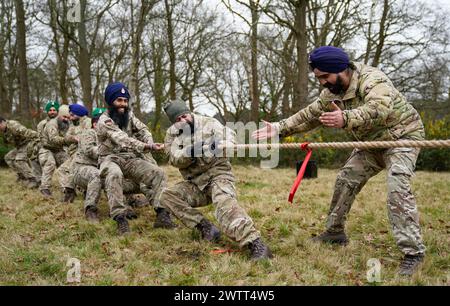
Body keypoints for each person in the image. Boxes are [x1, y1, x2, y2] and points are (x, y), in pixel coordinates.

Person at [253, 46, 426, 275]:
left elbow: (380, 108)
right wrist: (279, 128)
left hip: (402, 137)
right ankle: (335, 233)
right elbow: (310, 115)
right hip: (370, 144)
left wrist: (345, 118)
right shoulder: (331, 92)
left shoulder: (372, 80)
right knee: (346, 179)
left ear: (341, 69)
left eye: (325, 76)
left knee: (397, 186)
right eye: (318, 77)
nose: (322, 82)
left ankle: (414, 253)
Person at [160, 99, 273, 260]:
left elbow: (227, 134)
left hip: (218, 177)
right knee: (167, 196)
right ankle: (206, 227)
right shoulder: (172, 134)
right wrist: (190, 152)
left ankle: (255, 243)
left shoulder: (209, 123)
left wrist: (226, 143)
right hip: (196, 185)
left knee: (224, 204)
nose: (183, 121)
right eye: (178, 120)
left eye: (185, 116)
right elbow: (172, 157)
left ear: (190, 113)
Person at [96, 82, 175, 235]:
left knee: (158, 173)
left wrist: (150, 141)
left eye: (125, 101)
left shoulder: (129, 115)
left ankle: (162, 215)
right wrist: (148, 147)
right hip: (109, 159)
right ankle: (120, 218)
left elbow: (143, 129)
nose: (123, 104)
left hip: (129, 158)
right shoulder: (104, 121)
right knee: (114, 174)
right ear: (110, 101)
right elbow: (123, 139)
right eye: (119, 100)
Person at [38, 105, 78, 197]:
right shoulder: (52, 123)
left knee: (69, 164)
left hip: (59, 149)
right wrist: (69, 140)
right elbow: (54, 139)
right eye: (64, 117)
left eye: (68, 117)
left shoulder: (68, 123)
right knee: (50, 163)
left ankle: (67, 188)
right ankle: (45, 188)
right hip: (47, 148)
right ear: (59, 116)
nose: (66, 119)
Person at [57, 103, 91, 202]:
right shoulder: (74, 125)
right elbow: (67, 137)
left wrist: (80, 139)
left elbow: (89, 138)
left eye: (72, 115)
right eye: (70, 115)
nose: (70, 118)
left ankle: (72, 192)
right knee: (63, 170)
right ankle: (71, 191)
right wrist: (73, 138)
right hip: (73, 153)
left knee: (69, 170)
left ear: (79, 114)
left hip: (83, 153)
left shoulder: (88, 122)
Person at [0, 116, 40, 188]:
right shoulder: (4, 130)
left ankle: (33, 179)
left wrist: (39, 139)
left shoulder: (13, 126)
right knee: (8, 157)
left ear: (3, 122)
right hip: (20, 146)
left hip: (29, 142)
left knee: (20, 159)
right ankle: (22, 176)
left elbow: (28, 132)